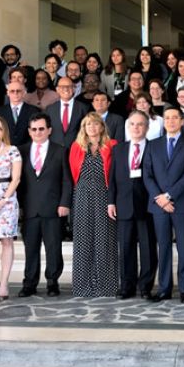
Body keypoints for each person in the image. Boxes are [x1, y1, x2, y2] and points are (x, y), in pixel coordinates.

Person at [143, 106, 184, 303]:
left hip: (182, 203)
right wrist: (160, 198)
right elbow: (147, 174)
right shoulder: (153, 145)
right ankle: (164, 288)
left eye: (175, 118)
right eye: (167, 118)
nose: (171, 121)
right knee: (163, 247)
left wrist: (170, 195)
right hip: (159, 205)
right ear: (163, 121)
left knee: (183, 247)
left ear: (182, 121)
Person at [17, 112, 71, 298]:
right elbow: (18, 182)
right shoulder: (21, 151)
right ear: (29, 132)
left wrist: (65, 203)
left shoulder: (61, 150)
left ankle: (52, 282)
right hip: (30, 208)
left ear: (49, 130)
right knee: (30, 248)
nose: (38, 132)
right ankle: (29, 283)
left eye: (41, 129)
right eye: (34, 129)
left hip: (53, 207)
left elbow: (66, 180)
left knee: (53, 247)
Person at [107, 110, 157, 300]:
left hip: (147, 205)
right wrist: (111, 201)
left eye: (140, 124)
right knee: (125, 248)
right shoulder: (119, 149)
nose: (136, 128)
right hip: (123, 205)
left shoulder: (154, 148)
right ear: (128, 127)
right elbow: (112, 178)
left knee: (148, 249)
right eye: (133, 124)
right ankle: (127, 286)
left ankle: (145, 286)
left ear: (147, 127)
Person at [68, 112, 118, 297]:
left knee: (105, 239)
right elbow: (73, 174)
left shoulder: (112, 146)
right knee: (83, 240)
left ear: (102, 127)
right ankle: (83, 286)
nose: (92, 127)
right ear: (84, 128)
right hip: (81, 195)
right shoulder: (76, 147)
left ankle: (106, 286)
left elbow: (114, 174)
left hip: (104, 195)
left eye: (96, 124)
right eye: (88, 124)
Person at [0, 117, 21, 301]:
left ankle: (4, 283)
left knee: (6, 242)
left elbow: (16, 178)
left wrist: (4, 199)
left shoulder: (12, 151)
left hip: (7, 199)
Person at [45, 76, 88, 150]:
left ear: (74, 88)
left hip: (77, 149)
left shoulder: (84, 108)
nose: (66, 89)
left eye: (69, 86)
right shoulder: (50, 109)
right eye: (62, 86)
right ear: (57, 89)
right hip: (55, 150)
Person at [0, 81, 40, 147]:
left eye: (18, 91)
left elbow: (36, 132)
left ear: (24, 93)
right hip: (5, 151)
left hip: (27, 151)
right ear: (8, 93)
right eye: (12, 91)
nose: (15, 93)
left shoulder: (34, 111)